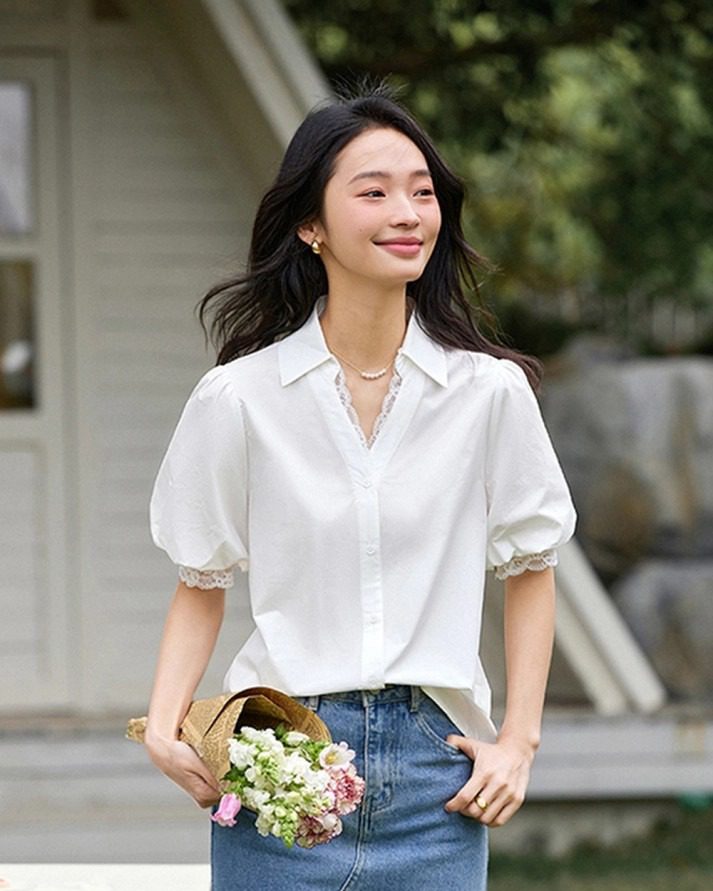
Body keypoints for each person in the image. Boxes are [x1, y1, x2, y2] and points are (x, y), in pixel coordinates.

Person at [144, 84, 577, 890]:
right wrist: (164, 728)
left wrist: (518, 741)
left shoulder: (489, 393)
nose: (406, 213)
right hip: (282, 759)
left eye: (421, 192)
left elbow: (531, 567)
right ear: (310, 224)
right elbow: (200, 579)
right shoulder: (238, 398)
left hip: (436, 774)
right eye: (373, 192)